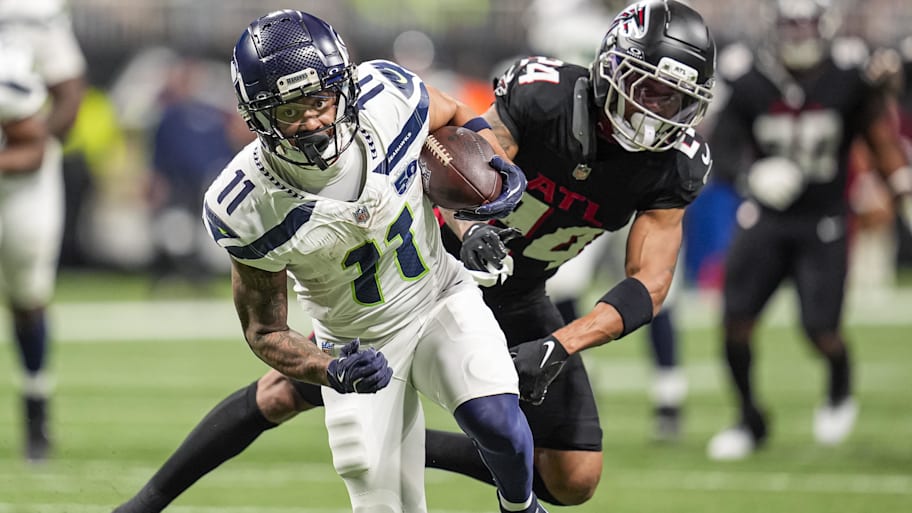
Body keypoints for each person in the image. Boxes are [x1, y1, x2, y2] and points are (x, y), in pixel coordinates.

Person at [112, 1, 715, 509]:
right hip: (423, 265)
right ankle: (145, 502)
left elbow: (650, 283)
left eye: (675, 99)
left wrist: (560, 344)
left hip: (520, 290)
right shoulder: (546, 98)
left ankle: (412, 442)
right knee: (280, 393)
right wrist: (471, 222)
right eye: (649, 90)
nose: (657, 111)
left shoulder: (676, 163)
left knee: (573, 478)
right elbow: (455, 158)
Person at [141, 9, 539, 513]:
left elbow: (457, 116)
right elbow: (265, 331)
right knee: (383, 503)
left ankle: (521, 508)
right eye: (290, 110)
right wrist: (332, 370)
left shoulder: (388, 100)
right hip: (355, 343)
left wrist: (475, 214)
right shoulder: (247, 204)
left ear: (344, 89)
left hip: (437, 295)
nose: (311, 121)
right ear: (258, 117)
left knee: (499, 424)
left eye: (318, 100)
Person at [705, 0, 912, 461]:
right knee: (735, 322)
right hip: (767, 216)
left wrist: (900, 186)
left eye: (805, 24)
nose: (798, 34)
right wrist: (750, 176)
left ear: (826, 26)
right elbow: (722, 146)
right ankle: (749, 419)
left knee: (821, 330)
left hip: (825, 219)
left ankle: (839, 383)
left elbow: (879, 136)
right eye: (790, 24)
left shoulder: (849, 73)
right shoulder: (747, 75)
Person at [0, 0, 87, 462]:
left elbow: (35, 142)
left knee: (27, 296)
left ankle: (36, 410)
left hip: (20, 187)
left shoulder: (10, 79)